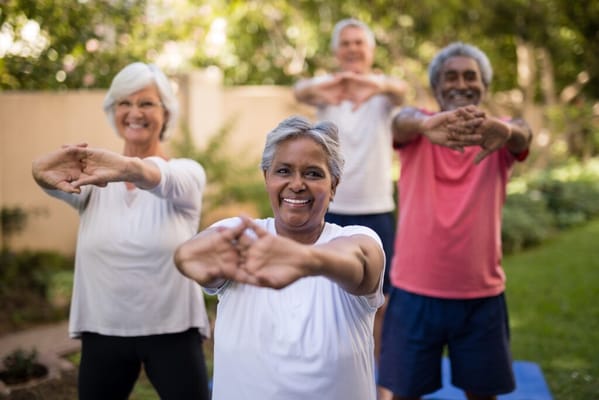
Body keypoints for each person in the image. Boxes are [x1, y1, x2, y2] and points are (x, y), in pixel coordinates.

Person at [31, 62, 211, 400]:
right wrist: (38, 169)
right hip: (103, 333)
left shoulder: (185, 174)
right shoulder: (92, 183)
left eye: (146, 103)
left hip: (173, 332)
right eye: (124, 103)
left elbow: (159, 177)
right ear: (113, 112)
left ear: (166, 113)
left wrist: (126, 167)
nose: (134, 112)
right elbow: (43, 173)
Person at [174, 116, 386, 399]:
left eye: (313, 173)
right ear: (267, 178)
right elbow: (189, 257)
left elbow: (357, 262)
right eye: (284, 171)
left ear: (333, 185)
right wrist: (196, 259)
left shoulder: (358, 239)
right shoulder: (237, 234)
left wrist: (304, 260)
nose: (297, 184)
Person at [377, 42, 533, 400]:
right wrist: (425, 124)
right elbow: (399, 123)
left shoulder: (499, 133)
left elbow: (524, 131)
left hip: (481, 296)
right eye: (450, 76)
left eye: (470, 76)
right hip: (414, 292)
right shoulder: (418, 128)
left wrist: (508, 133)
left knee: (483, 394)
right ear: (436, 88)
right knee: (402, 393)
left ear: (483, 86)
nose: (460, 83)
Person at [293, 18, 406, 361]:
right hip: (329, 209)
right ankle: (328, 366)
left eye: (360, 43)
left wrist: (371, 84)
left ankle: (374, 375)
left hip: (376, 208)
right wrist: (336, 84)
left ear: (370, 51)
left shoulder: (382, 95)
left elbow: (402, 91)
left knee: (380, 300)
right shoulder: (327, 90)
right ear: (336, 51)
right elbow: (299, 90)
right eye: (346, 43)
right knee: (323, 295)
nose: (353, 49)